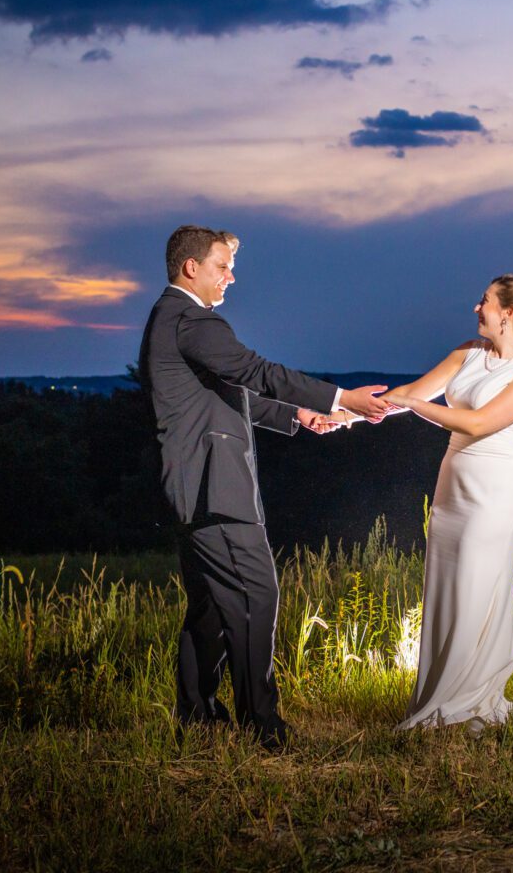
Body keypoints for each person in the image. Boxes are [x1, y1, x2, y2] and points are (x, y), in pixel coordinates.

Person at [137, 224, 390, 747]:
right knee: (257, 593)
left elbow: (236, 394)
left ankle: (198, 719)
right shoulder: (190, 319)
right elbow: (256, 371)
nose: (231, 277)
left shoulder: (172, 320)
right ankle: (262, 726)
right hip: (213, 488)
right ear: (192, 268)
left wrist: (299, 415)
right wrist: (340, 398)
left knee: (209, 604)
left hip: (198, 488)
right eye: (222, 266)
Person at [333, 275, 513, 732]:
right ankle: (438, 695)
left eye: (486, 302)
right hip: (453, 483)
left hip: (495, 490)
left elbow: (477, 424)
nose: (477, 308)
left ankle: (467, 701)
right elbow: (408, 395)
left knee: (477, 587)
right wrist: (343, 416)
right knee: (448, 587)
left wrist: (416, 405)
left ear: (508, 312)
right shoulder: (467, 352)